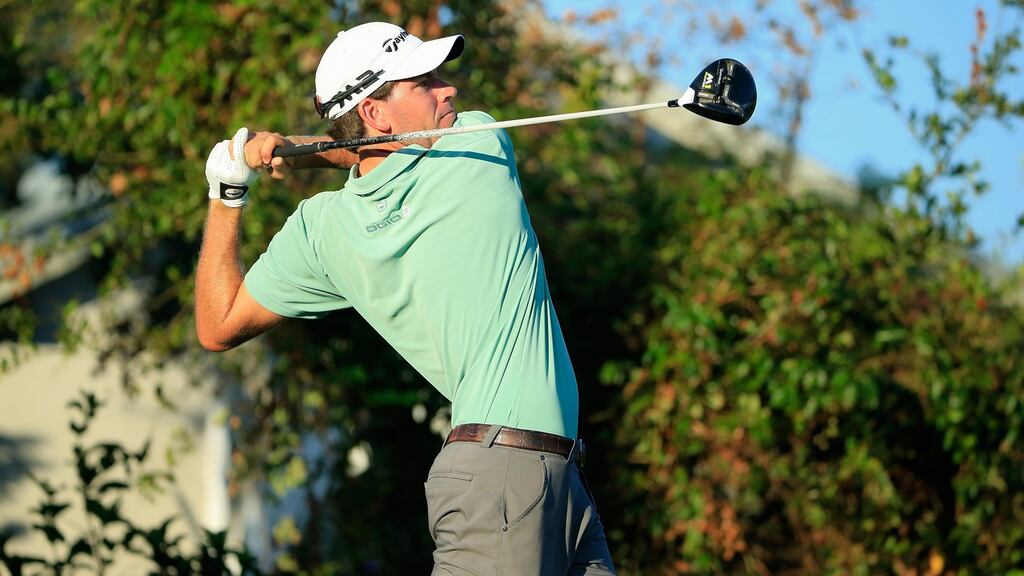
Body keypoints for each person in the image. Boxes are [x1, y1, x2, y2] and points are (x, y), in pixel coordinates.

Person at [197, 22, 615, 575]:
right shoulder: (476, 146)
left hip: (556, 480)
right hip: (500, 479)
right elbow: (217, 329)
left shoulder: (322, 231)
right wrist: (297, 153)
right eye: (426, 82)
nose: (450, 91)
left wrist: (229, 193)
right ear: (374, 112)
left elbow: (218, 319)